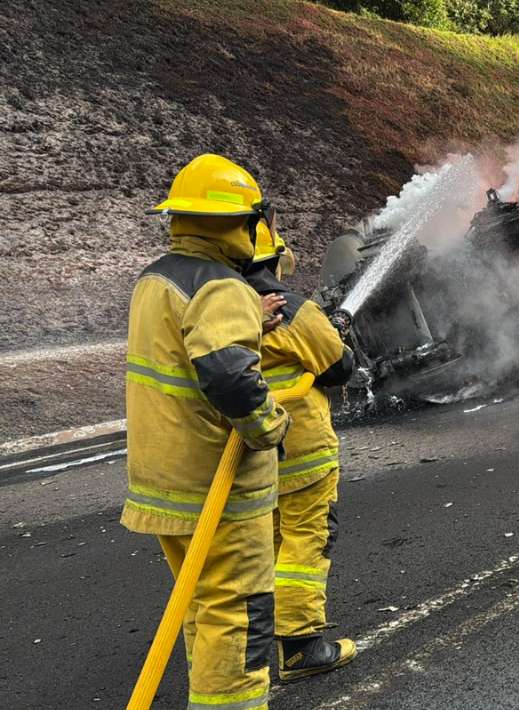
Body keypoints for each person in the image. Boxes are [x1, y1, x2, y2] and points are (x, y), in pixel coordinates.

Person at [123, 154, 290, 710]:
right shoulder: (223, 286)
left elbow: (189, 348)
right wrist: (270, 425)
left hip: (162, 478)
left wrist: (252, 324)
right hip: (212, 486)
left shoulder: (157, 278)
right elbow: (228, 376)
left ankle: (208, 698)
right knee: (239, 613)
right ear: (242, 222)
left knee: (202, 604)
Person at [245, 224, 358, 681]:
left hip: (250, 451)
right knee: (305, 540)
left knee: (266, 542)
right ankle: (301, 647)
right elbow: (339, 367)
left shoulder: (223, 308)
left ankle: (257, 642)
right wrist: (334, 333)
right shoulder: (291, 308)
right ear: (276, 260)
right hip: (302, 450)